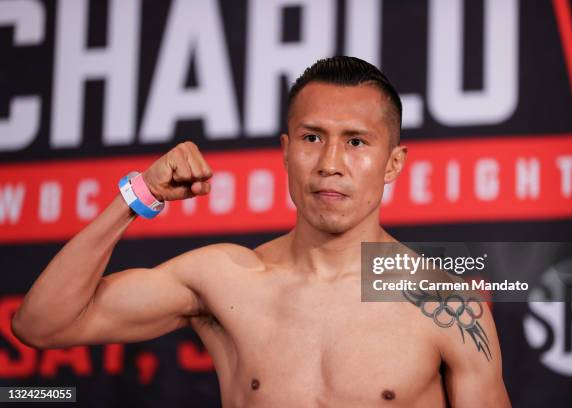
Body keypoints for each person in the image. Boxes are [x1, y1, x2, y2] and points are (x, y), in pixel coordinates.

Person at [12, 56, 511, 407]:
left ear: (392, 162)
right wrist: (138, 195)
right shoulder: (225, 279)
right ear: (286, 149)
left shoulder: (444, 306)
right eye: (312, 138)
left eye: (356, 142)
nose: (330, 164)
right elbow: (42, 325)